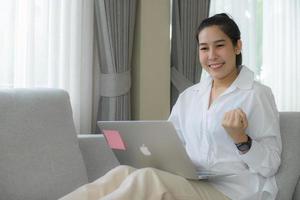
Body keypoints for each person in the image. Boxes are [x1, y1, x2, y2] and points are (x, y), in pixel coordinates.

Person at [60, 13, 282, 200]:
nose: (211, 55)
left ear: (237, 46)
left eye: (220, 45)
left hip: (233, 191)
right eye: (204, 48)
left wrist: (241, 140)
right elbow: (170, 145)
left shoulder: (257, 94)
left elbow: (271, 164)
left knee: (147, 178)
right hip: (193, 182)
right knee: (123, 172)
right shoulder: (190, 96)